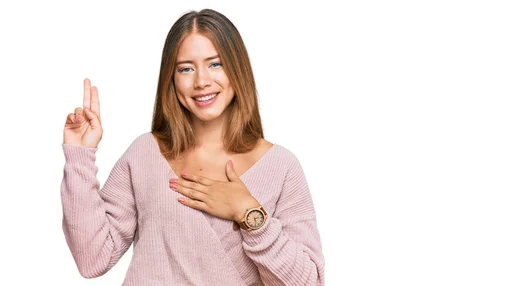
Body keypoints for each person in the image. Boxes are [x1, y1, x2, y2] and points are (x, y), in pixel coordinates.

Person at [61, 9, 324, 285]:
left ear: (238, 69)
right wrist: (80, 157)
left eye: (215, 64)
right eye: (186, 68)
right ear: (171, 80)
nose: (201, 81)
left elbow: (309, 281)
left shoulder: (281, 167)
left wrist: (247, 212)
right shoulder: (144, 154)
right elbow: (93, 258)